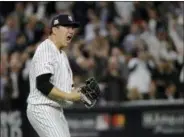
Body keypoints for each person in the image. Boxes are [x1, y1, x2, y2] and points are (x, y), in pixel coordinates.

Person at [26, 14, 86, 137]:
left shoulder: (62, 55)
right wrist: (69, 96)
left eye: (73, 28)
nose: (71, 31)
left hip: (56, 109)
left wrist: (80, 92)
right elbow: (43, 84)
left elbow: (65, 89)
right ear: (54, 29)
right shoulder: (46, 48)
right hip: (42, 107)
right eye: (67, 27)